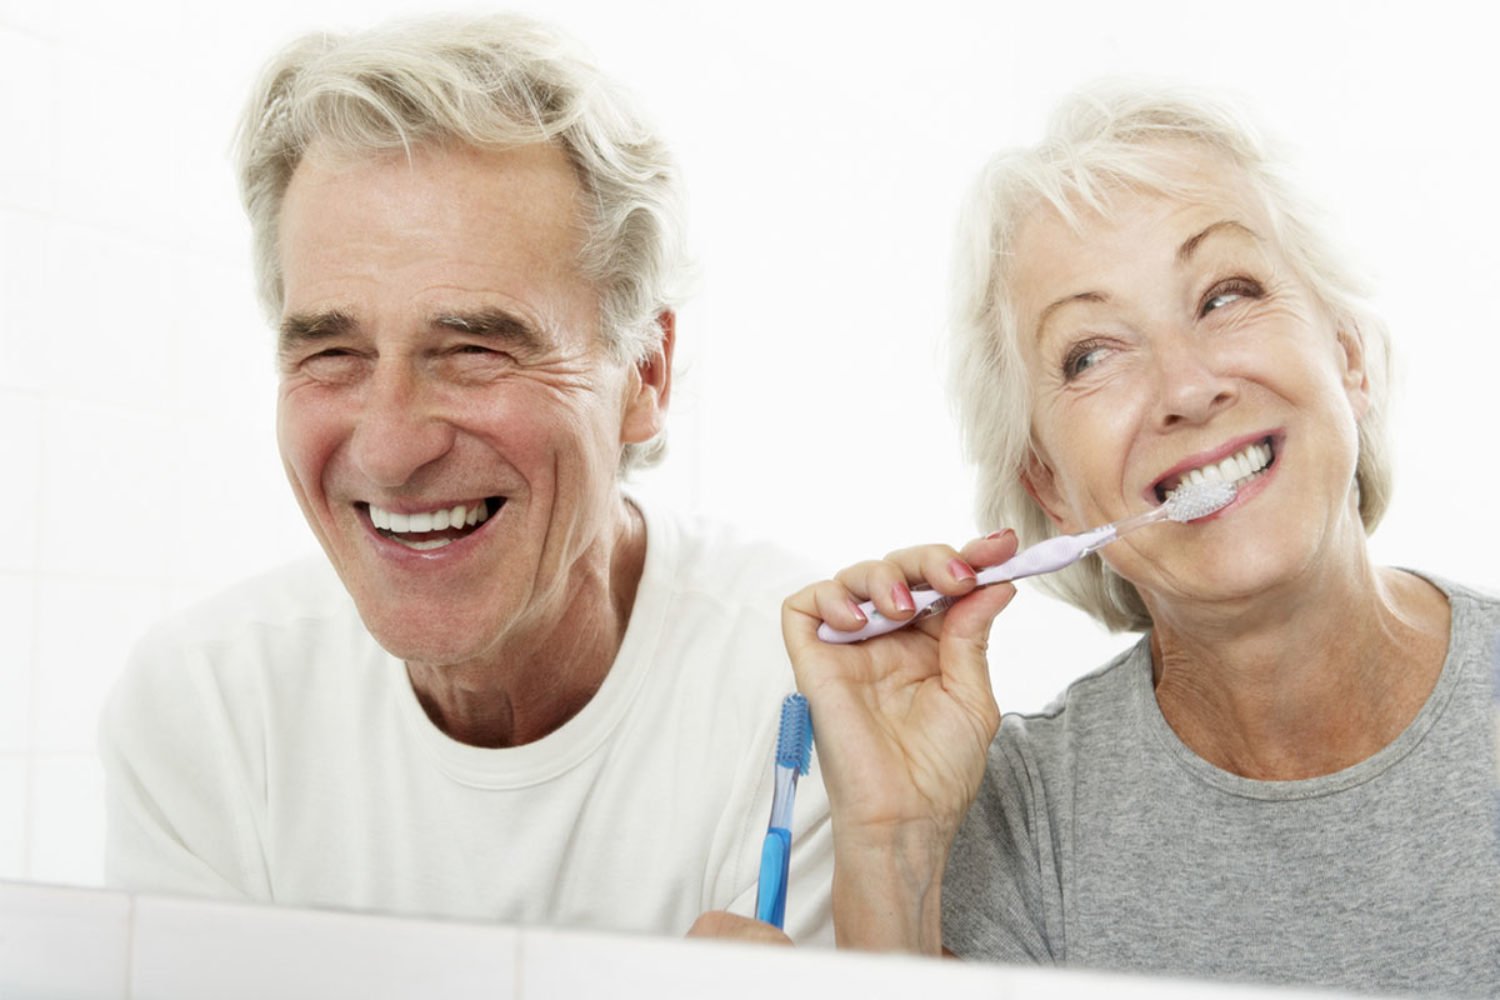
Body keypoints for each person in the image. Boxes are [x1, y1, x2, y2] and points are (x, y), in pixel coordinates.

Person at [99, 13, 832, 942]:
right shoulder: (207, 710)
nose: (391, 446)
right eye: (333, 351)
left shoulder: (803, 699)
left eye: (476, 349)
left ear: (644, 371)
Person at [779, 82, 1500, 995]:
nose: (1186, 389)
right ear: (1050, 489)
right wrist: (891, 850)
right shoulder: (1021, 825)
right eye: (1092, 353)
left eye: (1226, 294)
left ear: (1348, 356)